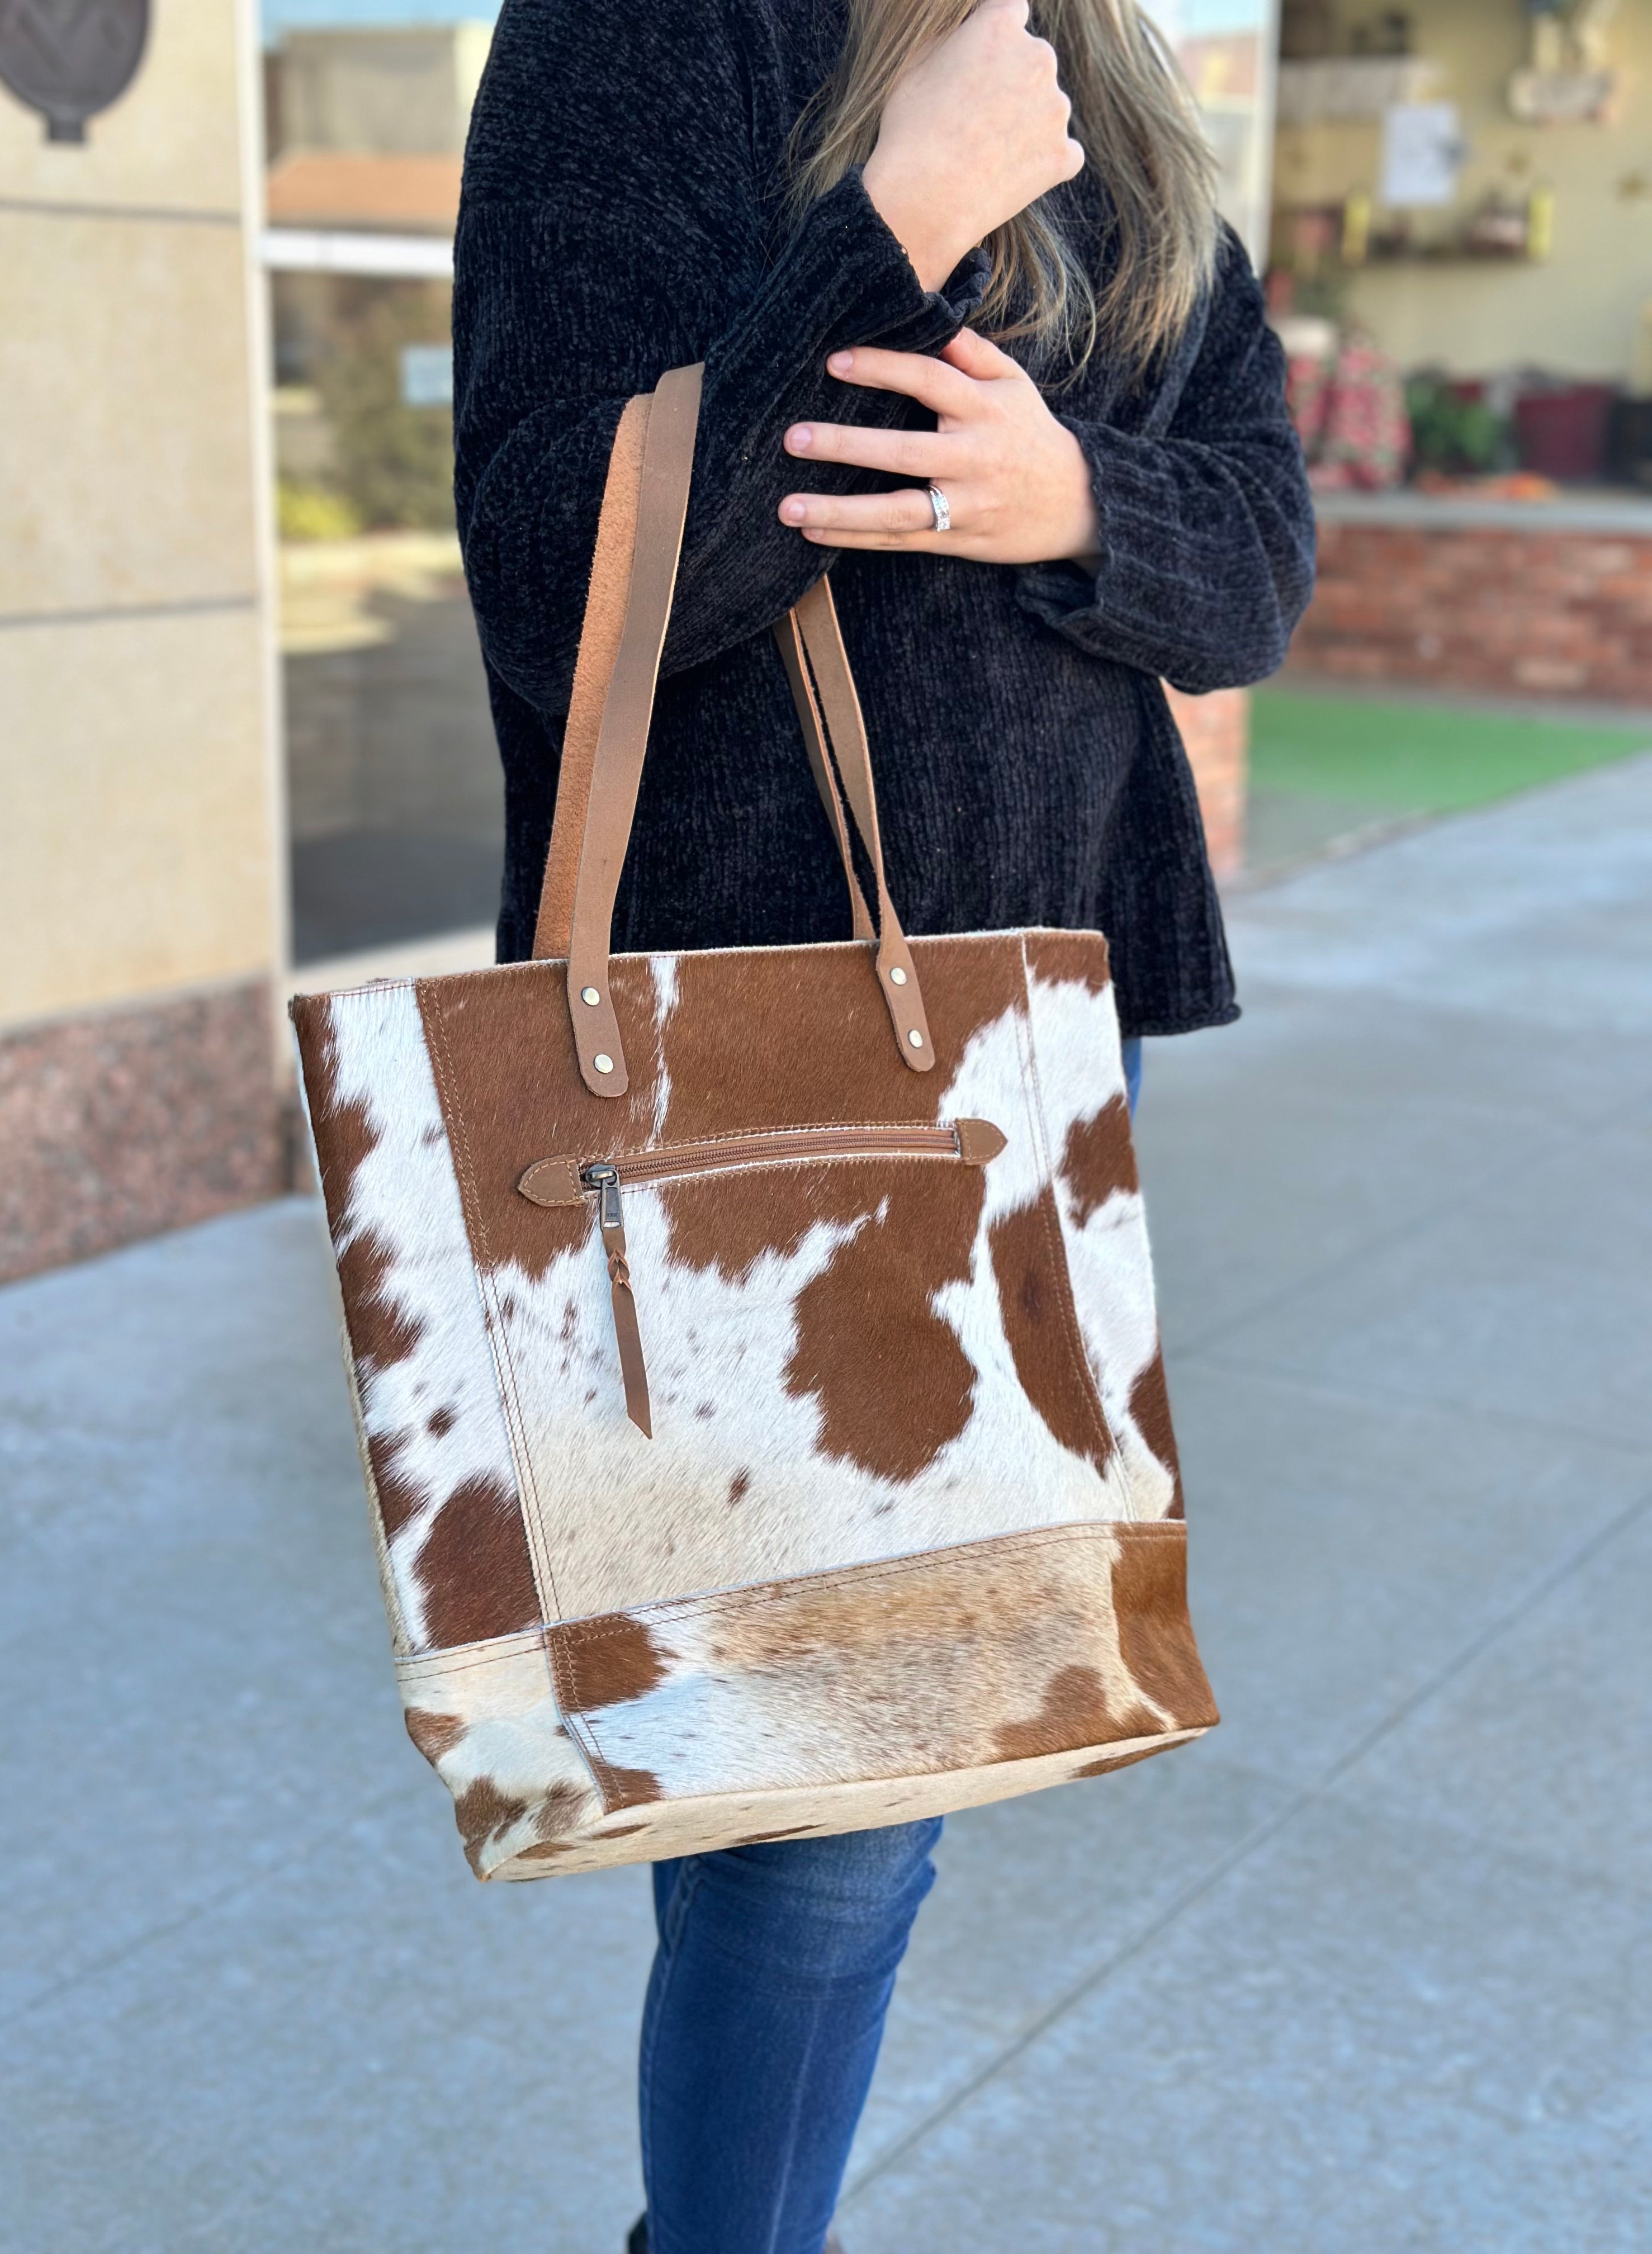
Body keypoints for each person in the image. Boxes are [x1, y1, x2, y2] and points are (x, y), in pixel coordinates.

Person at [452, 1, 1313, 2246]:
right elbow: (566, 579)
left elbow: (1262, 568)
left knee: (850, 1776)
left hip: (1033, 1055)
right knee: (832, 1812)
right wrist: (888, 224)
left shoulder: (1106, 70)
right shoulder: (641, 39)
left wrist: (1074, 501)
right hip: (736, 1059)